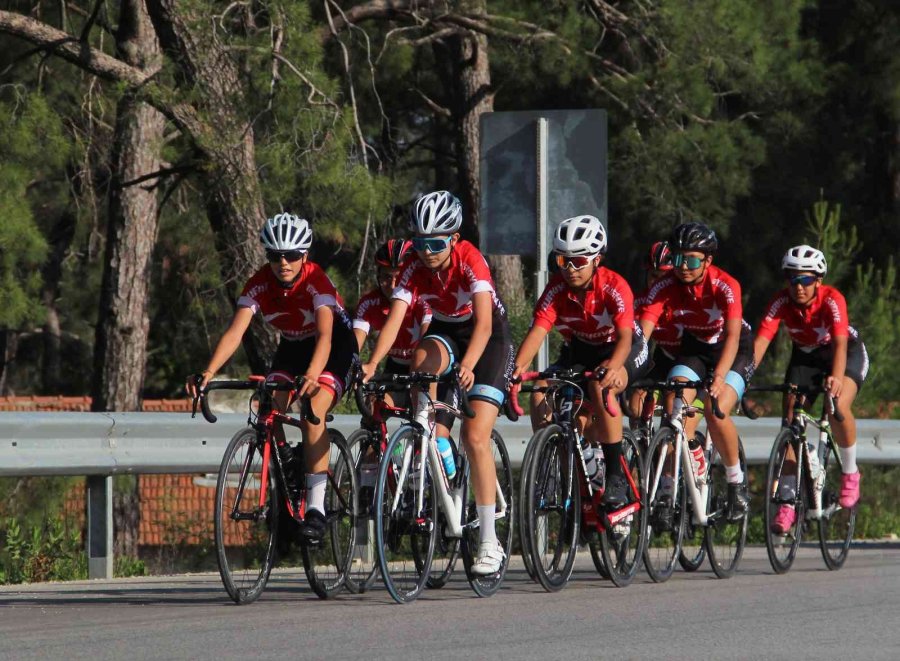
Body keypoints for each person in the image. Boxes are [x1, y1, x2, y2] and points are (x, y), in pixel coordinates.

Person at [360, 190, 514, 576]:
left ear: (454, 239)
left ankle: (489, 542)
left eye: (436, 243)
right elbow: (395, 319)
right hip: (446, 331)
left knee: (475, 436)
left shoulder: (471, 261)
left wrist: (470, 366)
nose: (427, 251)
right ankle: (430, 441)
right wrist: (373, 362)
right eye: (420, 242)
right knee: (421, 361)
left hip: (487, 339)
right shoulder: (412, 266)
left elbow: (482, 325)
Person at [186, 212, 358, 541]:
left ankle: (317, 510)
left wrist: (311, 375)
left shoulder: (316, 281)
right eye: (276, 256)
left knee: (313, 412)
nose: (284, 263)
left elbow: (324, 337)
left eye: (292, 256)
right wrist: (209, 372)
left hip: (334, 348)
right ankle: (289, 464)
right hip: (292, 347)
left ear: (304, 256)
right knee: (269, 407)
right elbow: (236, 331)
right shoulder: (259, 284)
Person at [512, 215, 649, 508]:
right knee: (541, 390)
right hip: (583, 349)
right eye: (564, 262)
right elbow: (537, 332)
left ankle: (615, 474)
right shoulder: (556, 290)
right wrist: (517, 369)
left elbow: (626, 337)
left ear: (596, 260)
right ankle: (552, 459)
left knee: (602, 386)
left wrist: (614, 367)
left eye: (579, 261)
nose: (571, 269)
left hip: (624, 348)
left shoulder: (613, 286)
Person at [637, 222, 755, 521]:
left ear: (707, 260)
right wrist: (628, 369)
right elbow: (643, 335)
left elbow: (730, 337)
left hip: (733, 349)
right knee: (674, 408)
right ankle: (669, 485)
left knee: (716, 410)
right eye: (677, 259)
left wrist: (719, 377)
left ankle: (735, 481)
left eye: (690, 260)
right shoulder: (665, 287)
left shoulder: (725, 285)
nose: (682, 267)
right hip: (695, 350)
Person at [753, 245, 868, 533]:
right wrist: (741, 379)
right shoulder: (780, 302)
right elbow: (760, 345)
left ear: (818, 280)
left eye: (805, 280)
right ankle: (788, 502)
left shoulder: (832, 299)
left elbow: (841, 343)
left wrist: (838, 377)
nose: (799, 287)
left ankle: (851, 472)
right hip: (806, 358)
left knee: (838, 406)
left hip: (844, 354)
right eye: (793, 279)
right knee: (791, 426)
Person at [353, 238, 432, 394]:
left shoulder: (424, 299)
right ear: (378, 276)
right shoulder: (369, 303)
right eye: (387, 277)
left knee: (426, 414)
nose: (394, 285)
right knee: (374, 411)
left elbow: (426, 344)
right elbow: (354, 345)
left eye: (401, 277)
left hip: (424, 364)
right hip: (395, 366)